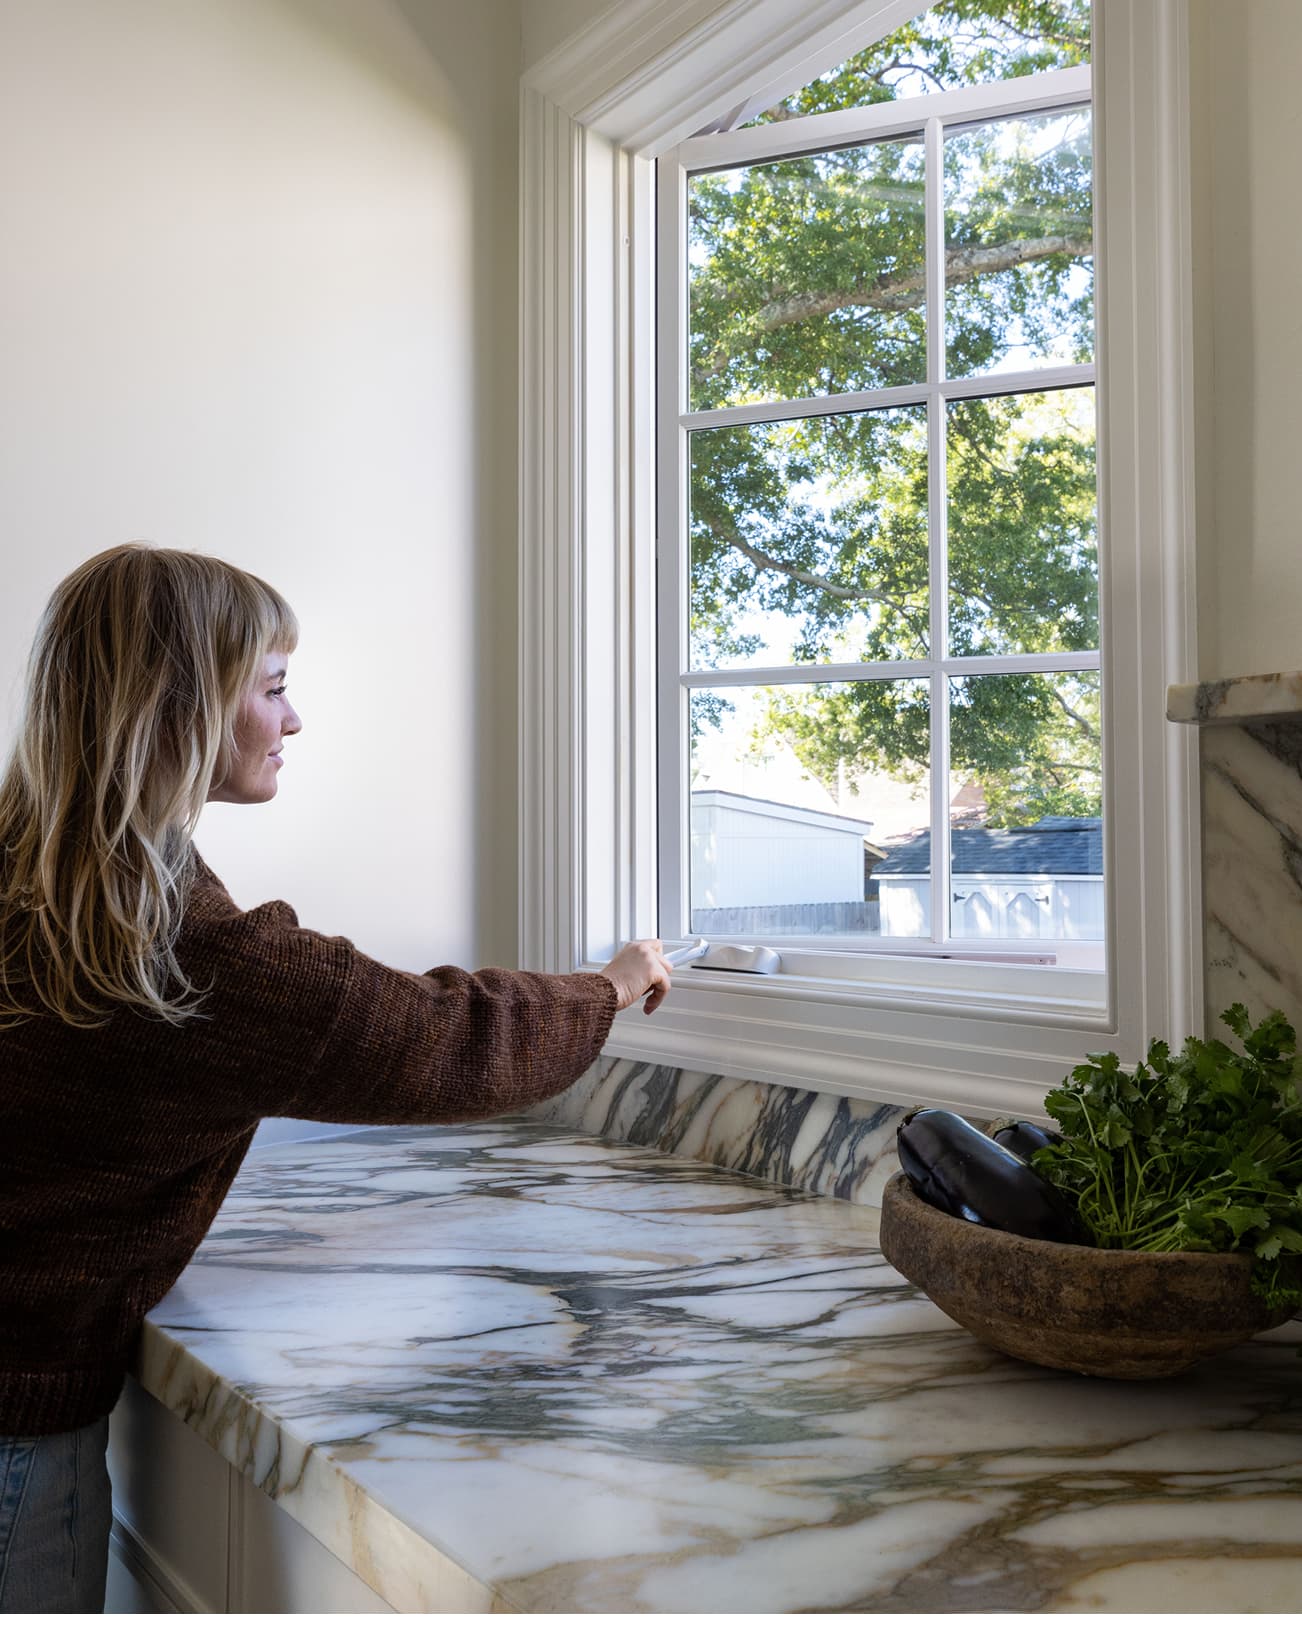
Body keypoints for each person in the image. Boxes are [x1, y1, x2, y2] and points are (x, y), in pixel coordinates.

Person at [0, 542, 673, 1613]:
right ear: (179, 706)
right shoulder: (183, 951)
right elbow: (431, 1034)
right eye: (271, 687)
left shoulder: (36, 875)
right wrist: (607, 984)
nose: (294, 719)